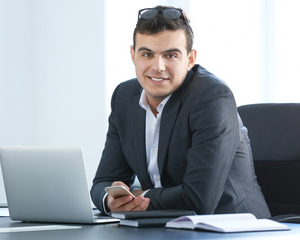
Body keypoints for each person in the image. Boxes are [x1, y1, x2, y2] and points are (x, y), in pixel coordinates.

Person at [91, 5, 271, 218]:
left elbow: (199, 199)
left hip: (233, 229)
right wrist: (110, 200)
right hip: (164, 227)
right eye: (147, 54)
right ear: (133, 55)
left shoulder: (212, 97)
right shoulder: (124, 97)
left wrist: (140, 196)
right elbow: (102, 182)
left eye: (171, 55)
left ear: (190, 59)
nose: (158, 66)